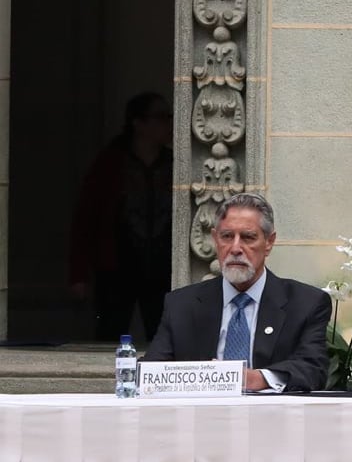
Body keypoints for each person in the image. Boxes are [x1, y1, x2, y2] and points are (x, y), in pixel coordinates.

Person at [146, 192, 332, 393]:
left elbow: (313, 370)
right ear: (215, 239)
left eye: (248, 237)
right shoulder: (181, 304)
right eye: (227, 236)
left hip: (272, 419)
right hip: (200, 418)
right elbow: (150, 371)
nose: (235, 248)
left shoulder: (306, 303)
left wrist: (255, 379)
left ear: (269, 242)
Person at [69, 92, 174, 341]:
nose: (169, 123)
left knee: (163, 333)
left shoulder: (173, 163)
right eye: (161, 117)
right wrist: (78, 275)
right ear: (138, 123)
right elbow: (86, 219)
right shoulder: (111, 163)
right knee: (110, 329)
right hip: (117, 264)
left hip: (162, 264)